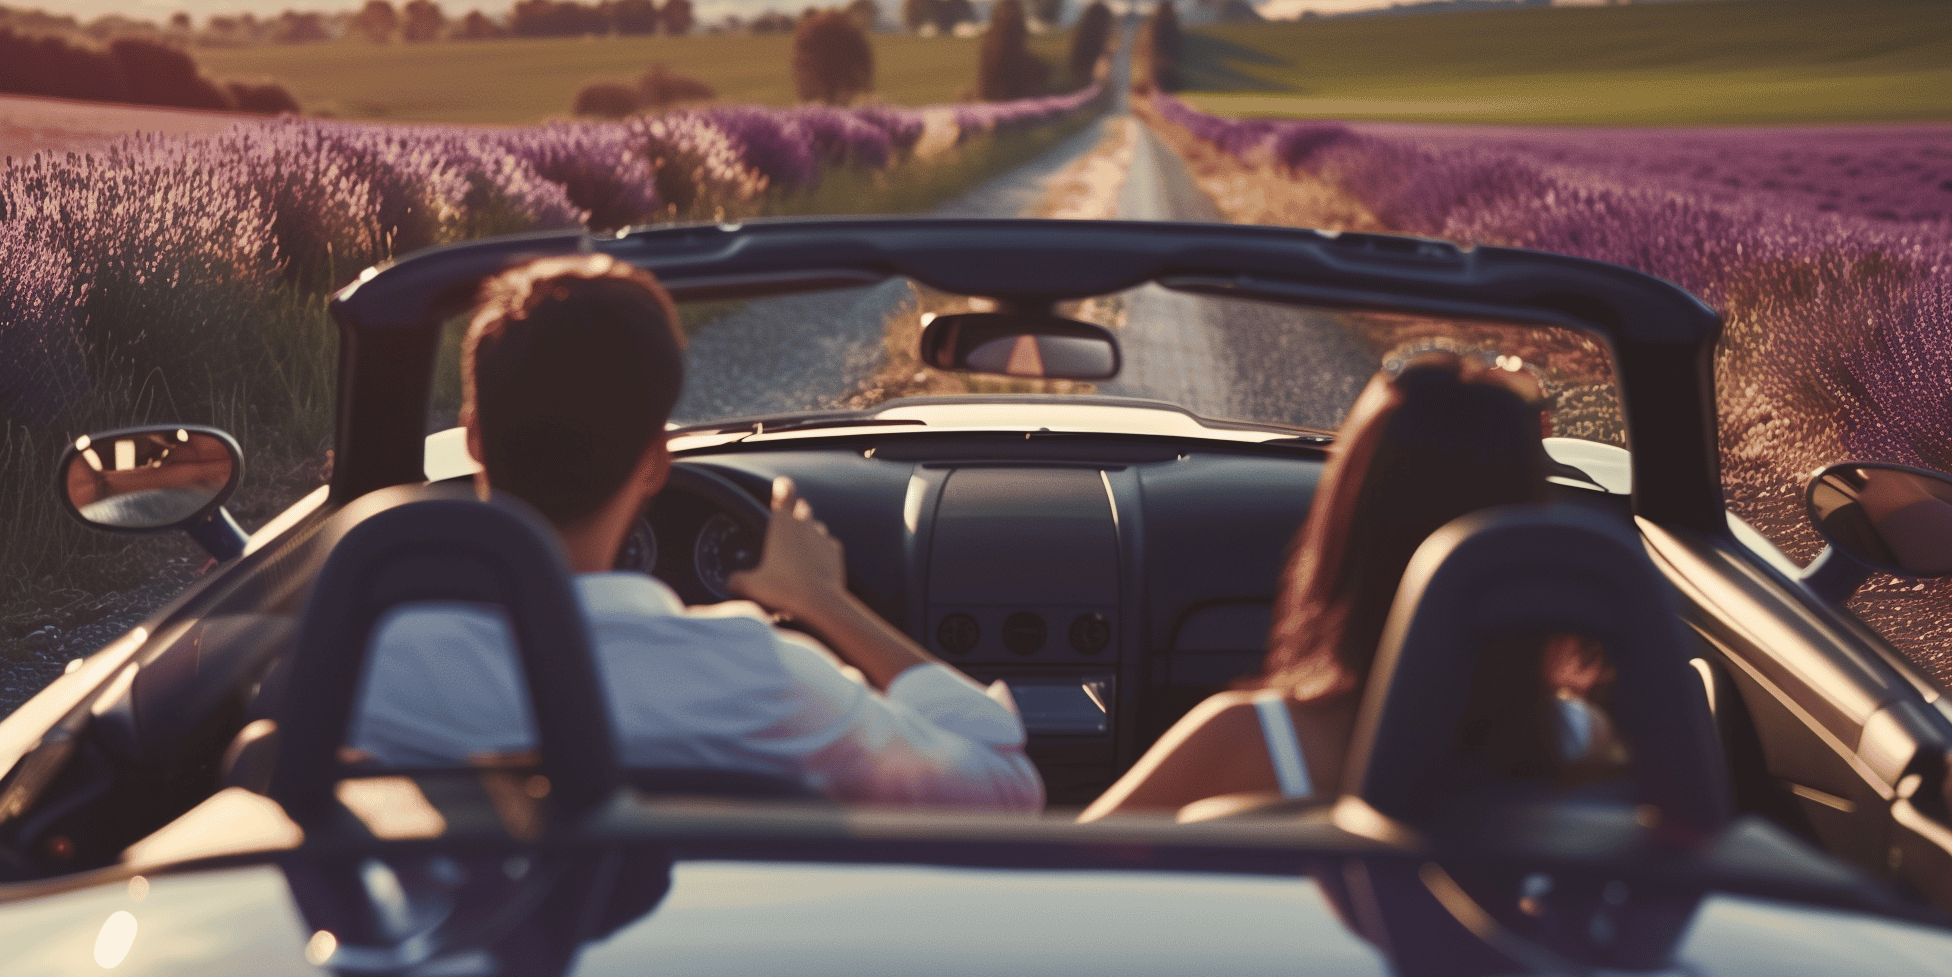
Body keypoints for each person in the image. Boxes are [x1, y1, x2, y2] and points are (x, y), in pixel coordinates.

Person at [349, 255, 1042, 812]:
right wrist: (824, 601)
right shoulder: (763, 678)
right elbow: (1006, 787)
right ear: (654, 463)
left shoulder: (380, 672)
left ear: (473, 441)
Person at [1081, 347, 1618, 820]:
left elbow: (1053, 884)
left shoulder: (1246, 743)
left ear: (1345, 527)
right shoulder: (1580, 741)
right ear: (1527, 540)